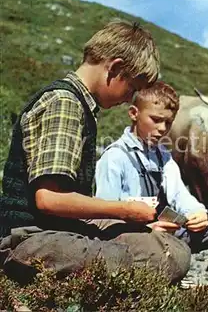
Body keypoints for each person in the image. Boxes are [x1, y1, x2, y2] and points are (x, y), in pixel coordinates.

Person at [0, 20, 191, 284]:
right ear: (114, 68)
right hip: (27, 238)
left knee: (164, 246)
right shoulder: (64, 104)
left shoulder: (78, 105)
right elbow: (49, 199)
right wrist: (125, 210)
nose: (128, 98)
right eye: (132, 88)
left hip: (52, 230)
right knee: (162, 255)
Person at [94, 81, 208, 252]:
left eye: (168, 122)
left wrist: (196, 213)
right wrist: (148, 229)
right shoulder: (114, 157)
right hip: (131, 235)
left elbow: (179, 194)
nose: (162, 129)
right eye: (156, 120)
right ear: (134, 113)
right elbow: (104, 215)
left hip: (164, 231)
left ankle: (175, 250)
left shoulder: (163, 155)